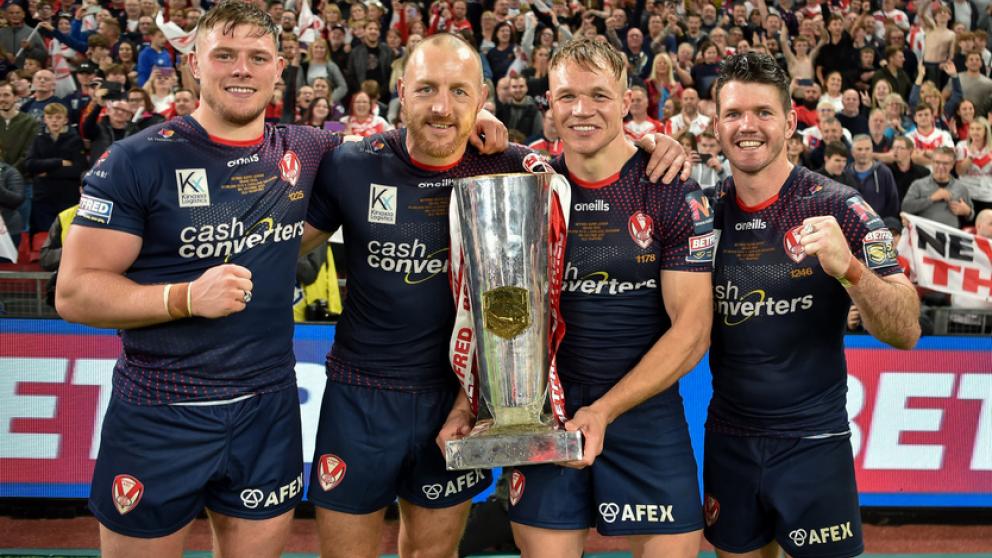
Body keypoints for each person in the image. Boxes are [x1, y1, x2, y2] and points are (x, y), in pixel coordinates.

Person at [53, 2, 508, 555]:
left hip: (266, 410)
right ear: (194, 62)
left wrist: (466, 121)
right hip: (160, 410)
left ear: (279, 67)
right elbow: (74, 292)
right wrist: (184, 297)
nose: (241, 69)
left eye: (257, 57)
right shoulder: (134, 160)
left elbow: (405, 150)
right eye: (224, 55)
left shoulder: (308, 150)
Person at [303, 32, 691, 558]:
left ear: (482, 99)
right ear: (401, 91)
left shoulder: (511, 166)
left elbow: (691, 324)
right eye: (426, 89)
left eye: (459, 92)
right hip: (370, 395)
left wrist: (658, 142)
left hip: (474, 397)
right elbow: (280, 245)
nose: (443, 106)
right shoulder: (358, 165)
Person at [706, 52, 921, 558]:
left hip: (814, 444)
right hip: (729, 440)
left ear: (788, 124)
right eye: (734, 114)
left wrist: (851, 269)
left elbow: (906, 329)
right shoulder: (704, 211)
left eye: (763, 112)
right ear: (716, 125)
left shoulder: (842, 207)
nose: (747, 126)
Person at [509, 38, 712, 558]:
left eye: (599, 95)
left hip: (643, 410)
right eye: (567, 97)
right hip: (544, 411)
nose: (581, 111)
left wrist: (604, 411)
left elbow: (692, 330)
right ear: (549, 105)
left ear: (627, 102)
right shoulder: (526, 182)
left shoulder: (668, 187)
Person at [902, 146, 975, 228]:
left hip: (951, 236)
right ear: (932, 162)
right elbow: (906, 207)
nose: (940, 167)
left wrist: (967, 211)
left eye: (945, 163)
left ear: (952, 164)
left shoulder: (961, 188)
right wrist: (931, 198)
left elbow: (971, 216)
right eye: (937, 162)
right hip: (924, 234)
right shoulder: (918, 185)